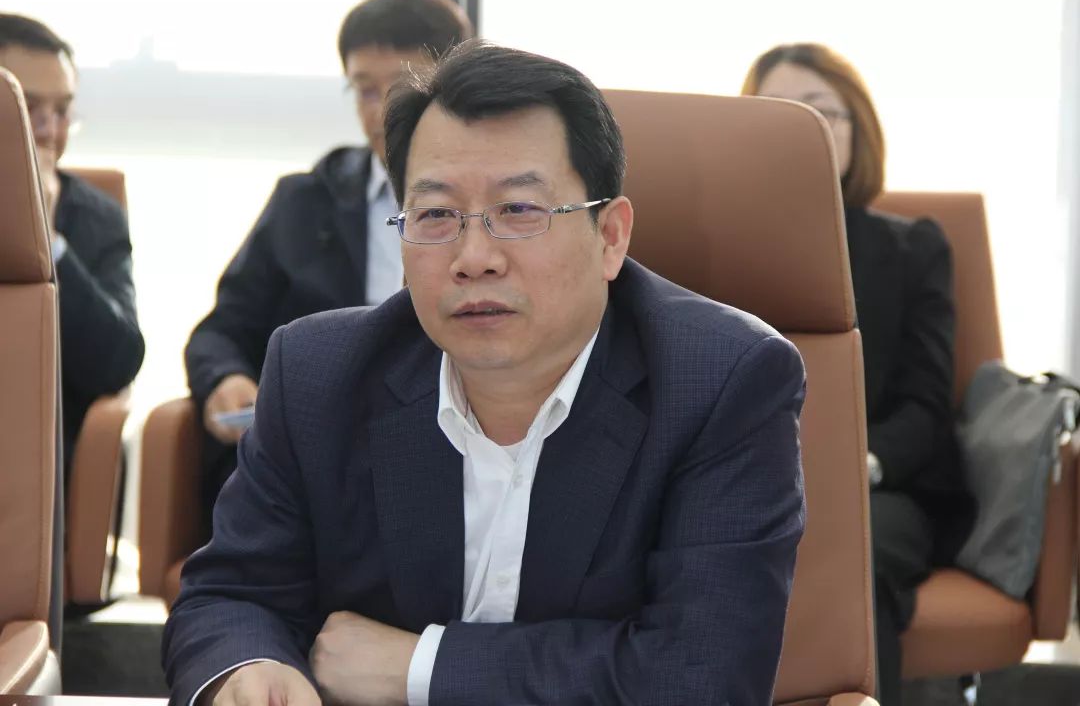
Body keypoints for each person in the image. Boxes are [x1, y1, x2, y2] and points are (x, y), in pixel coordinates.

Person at [163, 42, 807, 706]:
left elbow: (702, 676)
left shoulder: (720, 382)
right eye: (436, 215)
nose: (474, 258)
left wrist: (421, 667)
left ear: (610, 236)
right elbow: (231, 595)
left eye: (519, 210)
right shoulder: (317, 373)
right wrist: (249, 667)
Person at [184, 0, 472, 526]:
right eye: (365, 90)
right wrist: (225, 377)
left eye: (403, 89)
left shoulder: (495, 210)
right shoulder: (304, 201)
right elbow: (219, 332)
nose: (383, 112)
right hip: (326, 457)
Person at [743, 43, 972, 706]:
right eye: (778, 114)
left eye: (820, 113)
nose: (801, 131)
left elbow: (925, 408)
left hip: (880, 490)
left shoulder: (912, 247)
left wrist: (852, 469)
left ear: (857, 130)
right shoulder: (718, 242)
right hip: (742, 480)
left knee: (848, 555)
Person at [0, 14, 144, 477]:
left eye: (62, 111)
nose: (48, 130)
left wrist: (46, 237)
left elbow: (118, 361)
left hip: (33, 462)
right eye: (28, 108)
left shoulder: (96, 217)